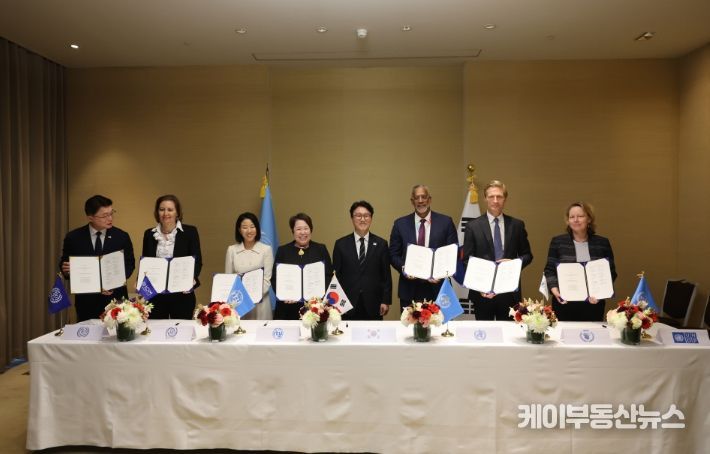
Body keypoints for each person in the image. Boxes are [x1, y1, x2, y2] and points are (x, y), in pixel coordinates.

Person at [462, 180, 533, 320]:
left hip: (509, 292)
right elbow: (467, 260)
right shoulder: (472, 226)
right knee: (483, 332)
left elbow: (527, 255)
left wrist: (514, 263)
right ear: (485, 199)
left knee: (509, 333)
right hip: (482, 293)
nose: (495, 200)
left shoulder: (517, 225)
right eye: (491, 196)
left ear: (505, 199)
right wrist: (479, 285)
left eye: (499, 196)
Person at [59, 195, 135, 322]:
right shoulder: (74, 238)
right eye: (104, 215)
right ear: (90, 217)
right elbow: (65, 264)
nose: (110, 218)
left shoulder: (121, 236)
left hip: (116, 301)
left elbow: (129, 264)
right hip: (87, 303)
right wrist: (66, 270)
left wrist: (113, 283)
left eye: (111, 213)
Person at [544, 201, 617, 321]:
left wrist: (601, 293)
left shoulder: (602, 243)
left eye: (580, 216)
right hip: (564, 303)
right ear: (568, 221)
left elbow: (611, 272)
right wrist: (554, 289)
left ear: (589, 219)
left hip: (593, 304)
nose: (576, 220)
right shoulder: (558, 242)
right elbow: (549, 270)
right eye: (572, 217)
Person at [389, 184, 458, 310]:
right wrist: (404, 268)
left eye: (423, 197)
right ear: (412, 201)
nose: (420, 201)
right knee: (411, 323)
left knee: (440, 322)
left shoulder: (446, 222)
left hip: (439, 289)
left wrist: (441, 273)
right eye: (417, 198)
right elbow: (393, 255)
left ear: (429, 199)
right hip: (409, 289)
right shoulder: (400, 224)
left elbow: (453, 254)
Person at [141, 194, 202, 319]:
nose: (165, 213)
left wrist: (191, 279)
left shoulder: (190, 232)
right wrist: (141, 283)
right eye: (161, 209)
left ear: (177, 213)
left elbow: (197, 261)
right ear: (157, 212)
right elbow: (145, 263)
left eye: (170, 209)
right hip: (155, 295)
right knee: (155, 329)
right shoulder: (149, 234)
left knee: (181, 328)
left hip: (182, 294)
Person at [333, 201, 392, 320]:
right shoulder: (341, 244)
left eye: (366, 215)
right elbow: (336, 277)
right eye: (358, 215)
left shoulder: (381, 244)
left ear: (371, 218)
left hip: (374, 304)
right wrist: (335, 302)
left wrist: (385, 300)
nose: (362, 219)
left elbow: (386, 275)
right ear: (352, 218)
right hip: (346, 304)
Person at [271, 213, 333, 320]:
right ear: (293, 231)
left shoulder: (320, 249)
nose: (303, 232)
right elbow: (275, 278)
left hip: (315, 308)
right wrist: (284, 295)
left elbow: (328, 275)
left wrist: (320, 295)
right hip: (288, 308)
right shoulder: (283, 251)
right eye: (298, 229)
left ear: (311, 230)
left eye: (306, 228)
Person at [225, 212, 274, 320]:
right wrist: (242, 299)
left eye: (252, 227)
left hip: (260, 303)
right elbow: (229, 279)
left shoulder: (266, 250)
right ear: (239, 230)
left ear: (257, 228)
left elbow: (267, 280)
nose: (249, 231)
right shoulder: (231, 250)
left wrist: (252, 297)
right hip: (240, 304)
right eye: (244, 227)